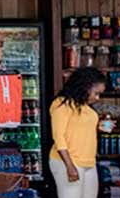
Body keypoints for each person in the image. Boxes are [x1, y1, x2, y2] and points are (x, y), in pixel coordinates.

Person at [50, 67, 106, 198]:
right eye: (96, 93)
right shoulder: (61, 105)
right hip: (67, 161)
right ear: (85, 87)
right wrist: (69, 166)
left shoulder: (86, 107)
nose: (98, 98)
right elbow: (59, 137)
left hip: (89, 162)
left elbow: (80, 128)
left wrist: (99, 126)